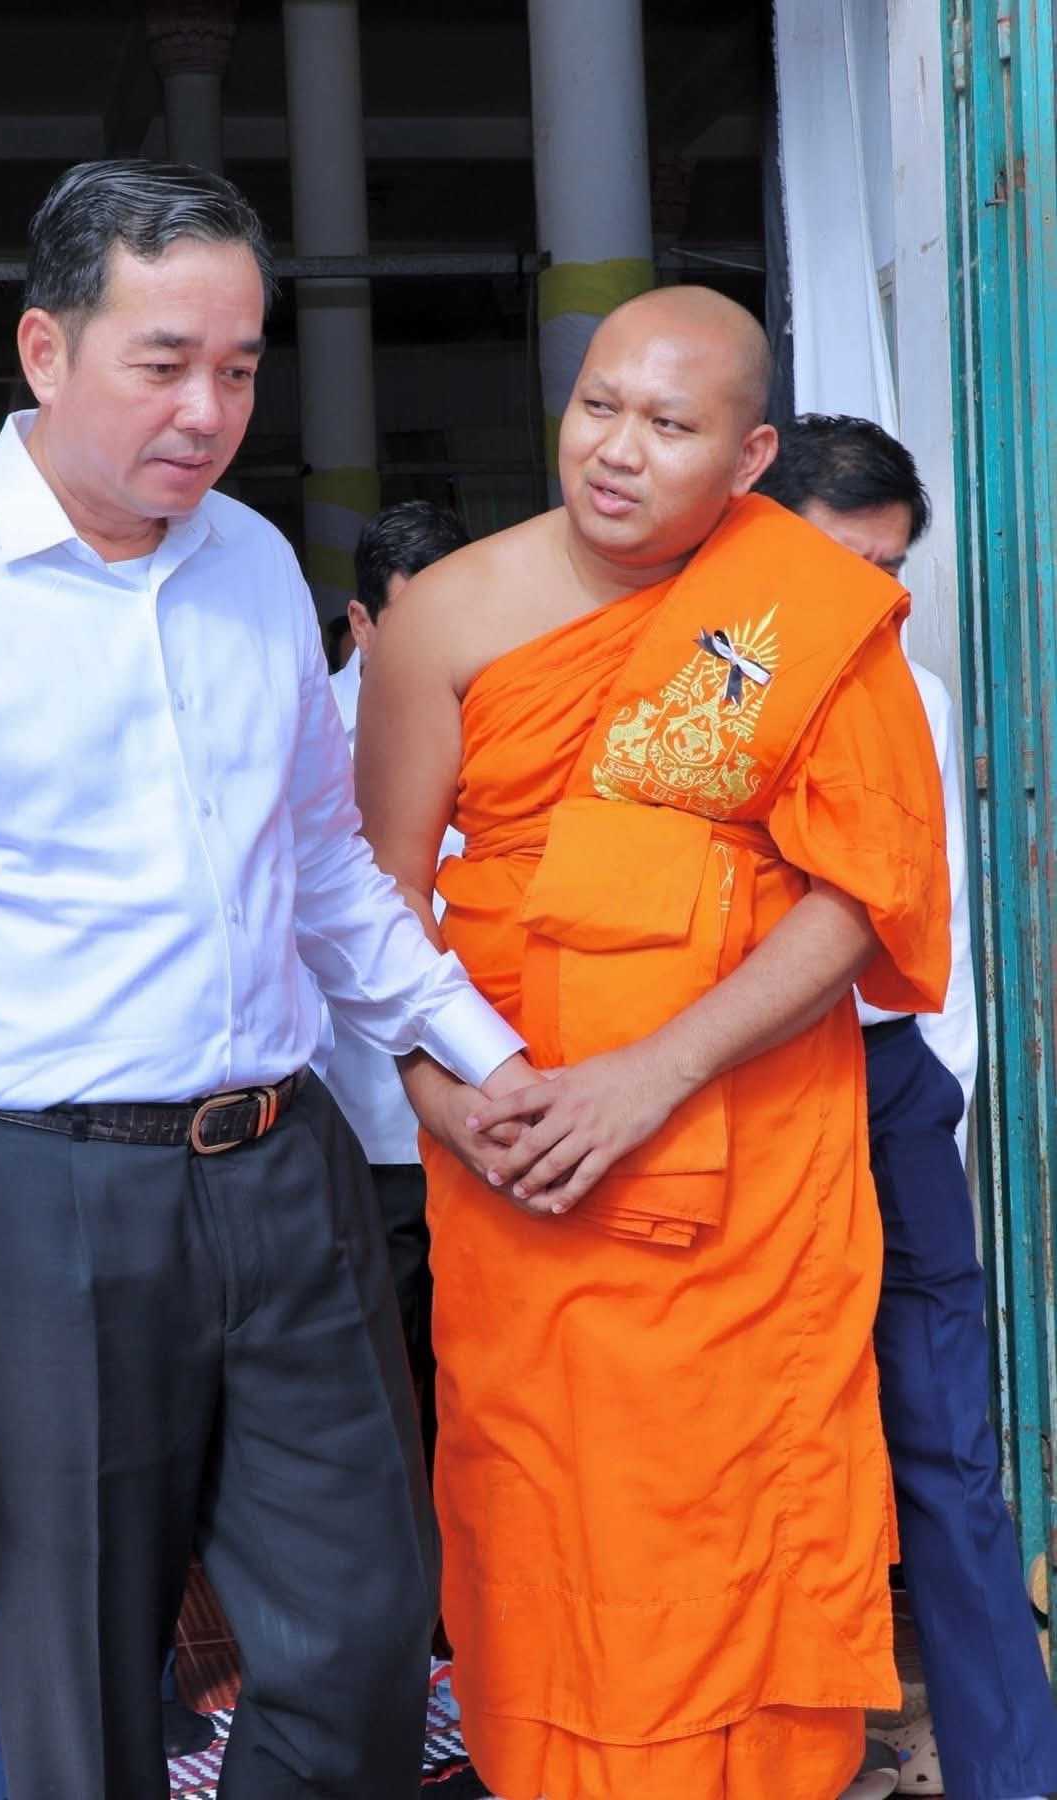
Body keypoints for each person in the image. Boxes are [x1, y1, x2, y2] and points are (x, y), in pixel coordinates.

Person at [0, 160, 536, 1800]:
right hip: (42, 1202)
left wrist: (484, 1058)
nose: (207, 411)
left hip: (285, 1174)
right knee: (80, 1697)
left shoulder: (250, 565)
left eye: (239, 369)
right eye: (164, 362)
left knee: (362, 1631)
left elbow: (323, 870)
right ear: (45, 350)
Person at [354, 285, 952, 1800]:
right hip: (523, 1169)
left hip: (747, 1168)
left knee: (743, 1502)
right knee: (550, 1507)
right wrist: (444, 1100)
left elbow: (861, 890)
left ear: (747, 457)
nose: (615, 450)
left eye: (668, 425)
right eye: (596, 406)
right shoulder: (446, 616)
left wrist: (654, 1072)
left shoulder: (802, 610)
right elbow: (371, 904)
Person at [758, 414, 1057, 1800]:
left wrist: (936, 1093)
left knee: (943, 1439)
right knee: (755, 1437)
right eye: (841, 562)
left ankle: (1011, 1768)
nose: (867, 600)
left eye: (886, 574)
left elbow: (933, 922)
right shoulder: (676, 682)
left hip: (880, 1087)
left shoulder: (911, 696)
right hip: (730, 1097)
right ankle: (785, 1757)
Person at [326, 499, 470, 1451]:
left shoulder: (502, 706)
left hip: (482, 1113)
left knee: (477, 1381)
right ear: (362, 622)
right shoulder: (304, 735)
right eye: (417, 619)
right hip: (357, 1124)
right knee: (374, 1396)